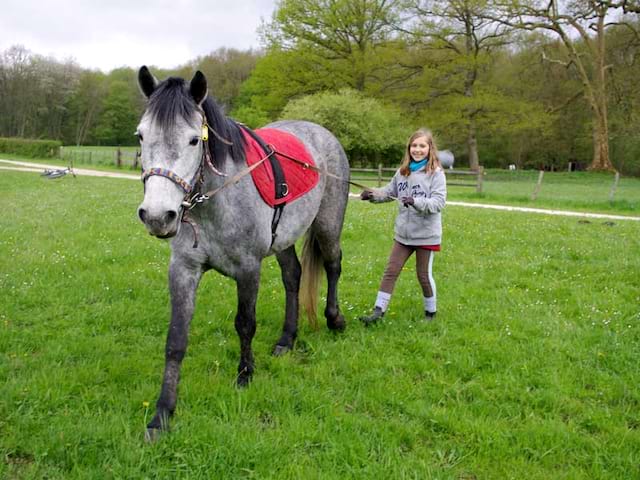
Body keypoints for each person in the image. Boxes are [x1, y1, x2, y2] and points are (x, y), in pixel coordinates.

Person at [359, 128, 447, 325]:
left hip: (426, 235)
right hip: (403, 235)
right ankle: (378, 312)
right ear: (409, 149)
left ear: (429, 148)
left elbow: (438, 203)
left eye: (422, 146)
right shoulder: (402, 172)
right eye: (414, 146)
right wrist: (372, 194)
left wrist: (415, 201)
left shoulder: (436, 174)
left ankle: (430, 313)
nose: (417, 149)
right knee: (391, 271)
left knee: (423, 275)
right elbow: (389, 192)